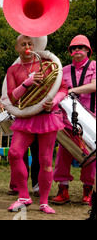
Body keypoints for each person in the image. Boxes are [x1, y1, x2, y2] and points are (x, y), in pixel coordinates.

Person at [5, 35, 68, 214]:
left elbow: (63, 88)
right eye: (23, 44)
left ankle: (44, 202)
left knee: (46, 160)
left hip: (48, 116)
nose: (27, 47)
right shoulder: (13, 69)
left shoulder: (48, 62)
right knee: (15, 153)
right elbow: (11, 97)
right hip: (26, 116)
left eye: (30, 44)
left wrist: (52, 100)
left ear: (34, 46)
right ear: (17, 48)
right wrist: (27, 83)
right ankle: (24, 196)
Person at [52, 35, 95, 205]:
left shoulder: (94, 66)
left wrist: (71, 90)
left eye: (81, 47)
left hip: (91, 117)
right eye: (74, 48)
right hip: (68, 117)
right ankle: (63, 190)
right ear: (70, 52)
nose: (77, 50)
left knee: (91, 154)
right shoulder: (64, 69)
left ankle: (88, 190)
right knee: (64, 151)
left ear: (87, 51)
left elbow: (95, 85)